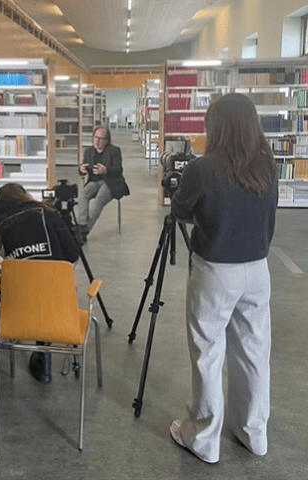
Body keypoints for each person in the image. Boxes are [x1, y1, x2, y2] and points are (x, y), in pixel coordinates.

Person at [169, 93, 278, 464]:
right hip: (258, 270)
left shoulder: (203, 168)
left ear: (217, 125)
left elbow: (180, 209)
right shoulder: (267, 166)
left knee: (208, 353)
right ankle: (254, 433)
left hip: (215, 270)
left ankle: (204, 439)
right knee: (253, 353)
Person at [0, 183, 80, 383]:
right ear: (24, 196)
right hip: (59, 302)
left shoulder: (1, 228)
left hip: (19, 307)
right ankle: (44, 354)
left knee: (18, 282)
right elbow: (73, 254)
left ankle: (27, 344)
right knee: (46, 280)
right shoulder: (48, 213)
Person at [75, 126, 129, 243]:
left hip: (111, 182)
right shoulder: (89, 151)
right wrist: (81, 169)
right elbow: (82, 168)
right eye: (96, 138)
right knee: (83, 195)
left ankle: (82, 233)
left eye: (101, 139)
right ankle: (81, 225)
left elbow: (119, 170)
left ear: (107, 140)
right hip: (94, 181)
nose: (97, 141)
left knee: (98, 200)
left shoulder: (114, 150)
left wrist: (106, 170)